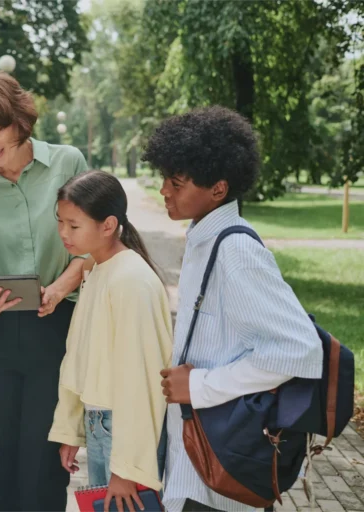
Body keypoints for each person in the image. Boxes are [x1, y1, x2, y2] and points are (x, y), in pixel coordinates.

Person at [143, 106, 323, 512]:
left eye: (177, 182)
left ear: (218, 189)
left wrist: (201, 386)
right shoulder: (205, 239)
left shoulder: (235, 250)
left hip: (223, 474)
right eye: (163, 178)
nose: (164, 191)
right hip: (200, 461)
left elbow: (300, 349)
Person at [0, 69, 89, 510]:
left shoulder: (68, 163)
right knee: (2, 476)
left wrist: (66, 280)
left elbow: (104, 242)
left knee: (44, 474)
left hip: (58, 334)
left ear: (19, 119)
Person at [48, 171, 173, 512]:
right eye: (60, 222)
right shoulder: (98, 270)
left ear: (108, 225)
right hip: (101, 424)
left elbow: (143, 381)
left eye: (74, 226)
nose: (63, 233)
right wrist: (73, 429)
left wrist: (127, 469)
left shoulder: (131, 281)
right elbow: (82, 355)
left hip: (124, 431)